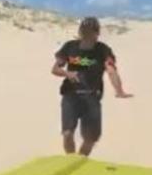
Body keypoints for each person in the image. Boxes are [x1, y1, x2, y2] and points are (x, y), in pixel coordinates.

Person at [52, 16, 130, 156]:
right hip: (71, 95)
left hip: (92, 97)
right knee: (68, 133)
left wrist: (119, 91)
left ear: (97, 33)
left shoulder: (103, 50)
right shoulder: (70, 47)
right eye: (84, 30)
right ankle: (70, 160)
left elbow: (111, 70)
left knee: (90, 139)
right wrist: (67, 73)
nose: (87, 34)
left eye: (90, 31)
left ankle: (80, 160)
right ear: (80, 31)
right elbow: (55, 69)